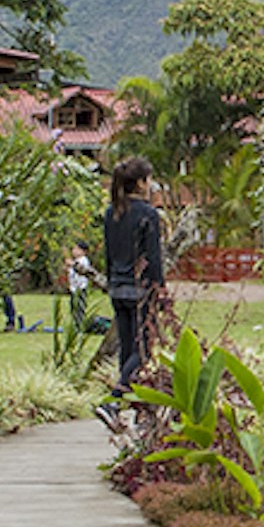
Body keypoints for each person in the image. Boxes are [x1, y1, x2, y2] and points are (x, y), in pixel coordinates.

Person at [99, 158, 167, 398]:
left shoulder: (112, 213)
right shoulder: (148, 214)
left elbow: (108, 253)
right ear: (140, 183)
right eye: (148, 180)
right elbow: (153, 258)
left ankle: (121, 406)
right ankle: (115, 397)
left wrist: (111, 282)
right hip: (140, 288)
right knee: (144, 347)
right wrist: (160, 290)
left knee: (127, 348)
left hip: (117, 287)